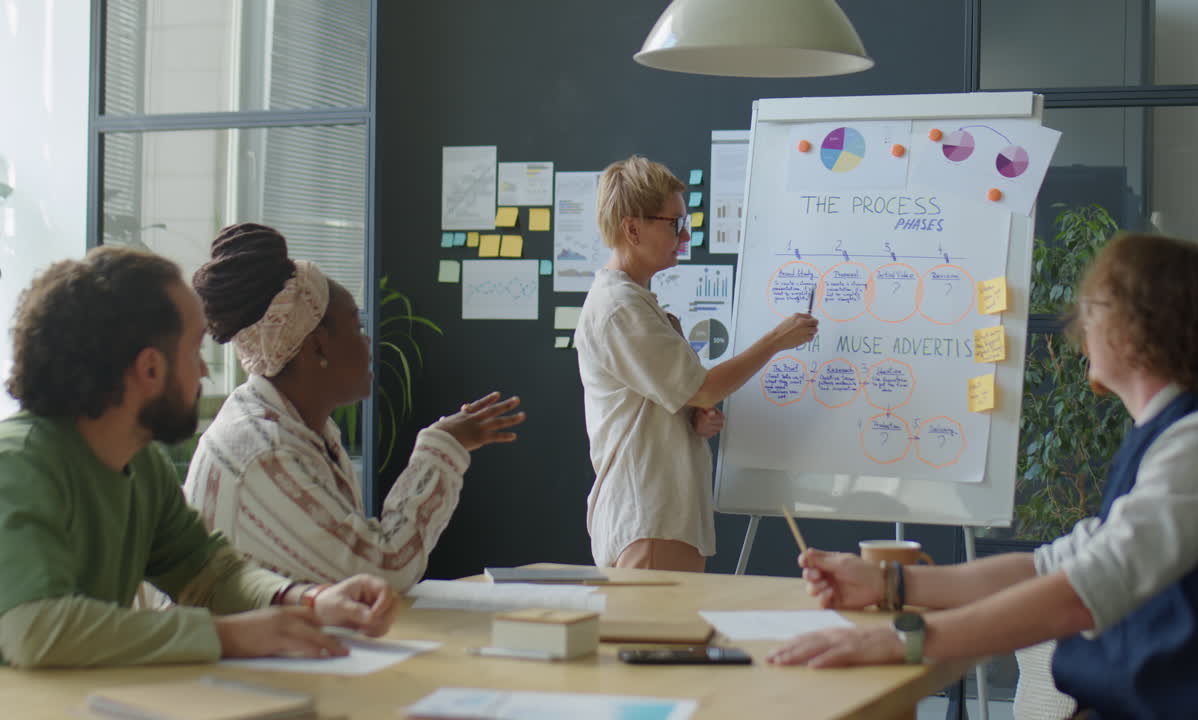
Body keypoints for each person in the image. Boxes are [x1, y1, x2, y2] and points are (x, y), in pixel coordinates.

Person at [768, 233, 1198, 719]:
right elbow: (1052, 566)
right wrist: (888, 582)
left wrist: (902, 637)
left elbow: (1080, 593)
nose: (1078, 330)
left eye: (1091, 310)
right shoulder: (1183, 432)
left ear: (1136, 329)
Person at [0, 247, 398, 667]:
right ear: (150, 370)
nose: (205, 372)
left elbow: (206, 572)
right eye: (195, 351)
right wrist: (227, 636)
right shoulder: (17, 466)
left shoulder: (141, 462)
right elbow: (36, 629)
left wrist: (305, 599)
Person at [184, 224, 525, 592]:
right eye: (355, 326)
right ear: (317, 348)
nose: (367, 341)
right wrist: (440, 449)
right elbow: (382, 570)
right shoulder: (265, 452)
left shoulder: (298, 429)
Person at [575, 156, 819, 571]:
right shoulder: (620, 307)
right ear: (632, 229)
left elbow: (674, 399)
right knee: (659, 637)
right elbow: (702, 388)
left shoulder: (636, 302)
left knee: (676, 637)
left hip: (663, 516)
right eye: (673, 223)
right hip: (649, 518)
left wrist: (692, 418)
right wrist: (777, 340)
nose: (684, 235)